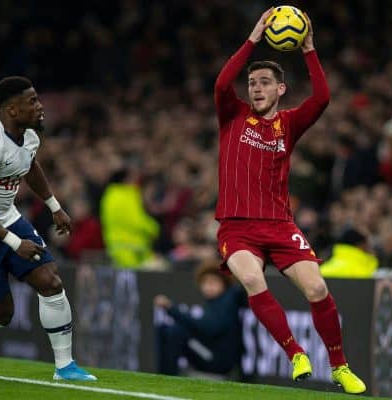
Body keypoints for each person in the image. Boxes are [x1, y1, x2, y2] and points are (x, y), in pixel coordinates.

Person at [213, 8, 366, 394]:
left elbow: (323, 97)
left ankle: (340, 366)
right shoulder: (233, 115)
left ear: (281, 89)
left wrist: (309, 48)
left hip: (280, 225)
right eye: (252, 82)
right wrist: (251, 40)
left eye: (265, 82)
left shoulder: (290, 124)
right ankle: (296, 353)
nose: (256, 88)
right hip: (237, 225)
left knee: (316, 290)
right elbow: (220, 84)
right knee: (250, 278)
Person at [0, 76, 96, 381]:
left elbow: (29, 166)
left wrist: (55, 206)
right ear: (12, 110)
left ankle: (64, 367)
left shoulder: (29, 137)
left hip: (8, 218)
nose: (40, 107)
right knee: (2, 315)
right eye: (32, 101)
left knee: (51, 281)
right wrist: (15, 243)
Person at [153, 260, 243, 376]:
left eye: (213, 282)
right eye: (205, 282)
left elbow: (209, 328)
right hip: (208, 353)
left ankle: (169, 377)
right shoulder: (214, 302)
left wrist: (171, 309)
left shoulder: (228, 301)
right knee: (165, 329)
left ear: (224, 284)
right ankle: (163, 375)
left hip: (218, 361)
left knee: (177, 332)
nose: (208, 287)